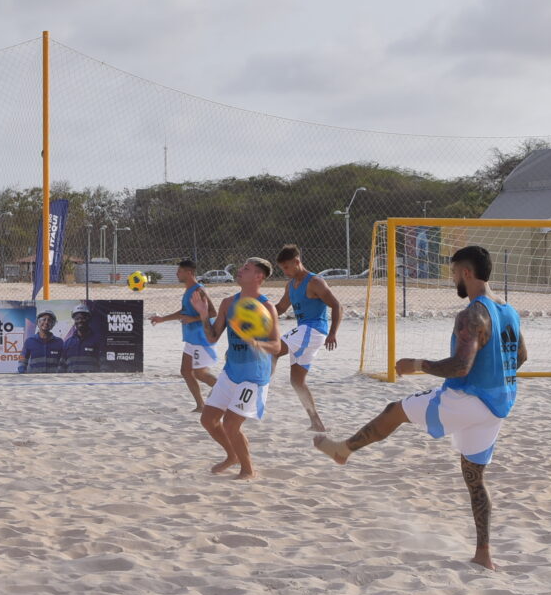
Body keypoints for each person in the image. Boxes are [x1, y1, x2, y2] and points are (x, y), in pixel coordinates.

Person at [314, 246, 523, 570]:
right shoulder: (509, 311)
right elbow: (521, 356)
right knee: (474, 477)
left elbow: (461, 367)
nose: (453, 278)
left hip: (467, 399)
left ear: (466, 273)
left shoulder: (472, 314)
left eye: (454, 272)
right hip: (500, 403)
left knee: (395, 410)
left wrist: (416, 364)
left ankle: (344, 450)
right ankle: (484, 553)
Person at [200, 257, 287, 480]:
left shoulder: (267, 306)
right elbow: (212, 338)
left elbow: (277, 346)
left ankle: (248, 470)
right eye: (241, 267)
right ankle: (232, 456)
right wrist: (202, 315)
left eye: (246, 269)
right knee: (208, 420)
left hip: (254, 376)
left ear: (259, 277)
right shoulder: (229, 303)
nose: (240, 271)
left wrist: (258, 343)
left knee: (231, 424)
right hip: (231, 372)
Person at [273, 244, 343, 432]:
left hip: (313, 330)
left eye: (287, 267)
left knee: (273, 350)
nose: (285, 272)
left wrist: (333, 333)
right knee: (297, 381)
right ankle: (316, 422)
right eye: (282, 269)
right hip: (305, 333)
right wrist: (260, 311)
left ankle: (259, 388)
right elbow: (280, 308)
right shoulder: (290, 286)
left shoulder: (315, 282)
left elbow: (337, 306)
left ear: (297, 262)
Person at [149, 260, 218, 410]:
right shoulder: (188, 290)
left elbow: (212, 312)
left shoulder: (198, 290)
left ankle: (226, 390)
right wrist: (162, 319)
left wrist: (193, 319)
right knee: (186, 371)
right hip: (191, 338)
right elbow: (183, 312)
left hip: (201, 337)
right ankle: (200, 405)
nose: (176, 274)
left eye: (179, 271)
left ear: (189, 273)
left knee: (200, 373)